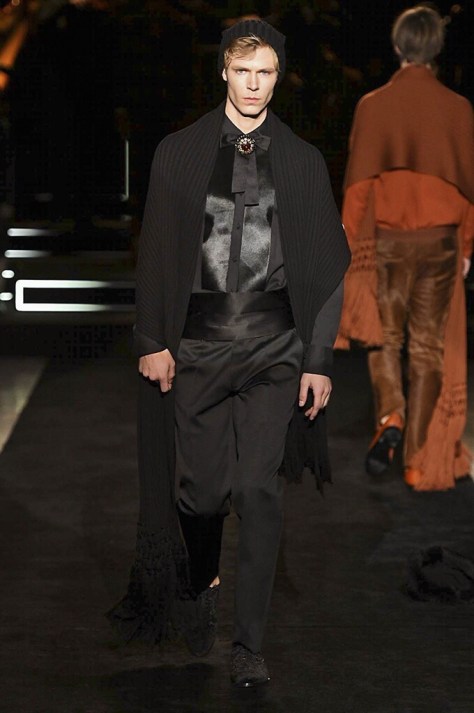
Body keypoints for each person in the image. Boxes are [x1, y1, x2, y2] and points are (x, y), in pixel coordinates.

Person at [107, 18, 350, 686]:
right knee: (200, 493)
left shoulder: (301, 160)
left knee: (258, 491)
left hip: (274, 347)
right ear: (223, 71)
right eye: (242, 70)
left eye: (265, 72)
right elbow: (156, 247)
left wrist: (318, 358)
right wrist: (152, 338)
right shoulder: (179, 152)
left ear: (278, 77)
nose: (252, 84)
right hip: (198, 345)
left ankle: (248, 647)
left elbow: (329, 263)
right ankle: (202, 578)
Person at [337, 6, 474, 491]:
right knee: (429, 348)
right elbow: (469, 187)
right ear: (437, 48)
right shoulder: (459, 109)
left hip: (390, 243)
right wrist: (467, 246)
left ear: (397, 46)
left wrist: (346, 245)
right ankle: (417, 459)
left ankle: (390, 416)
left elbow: (358, 188)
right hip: (440, 242)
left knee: (384, 340)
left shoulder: (373, 106)